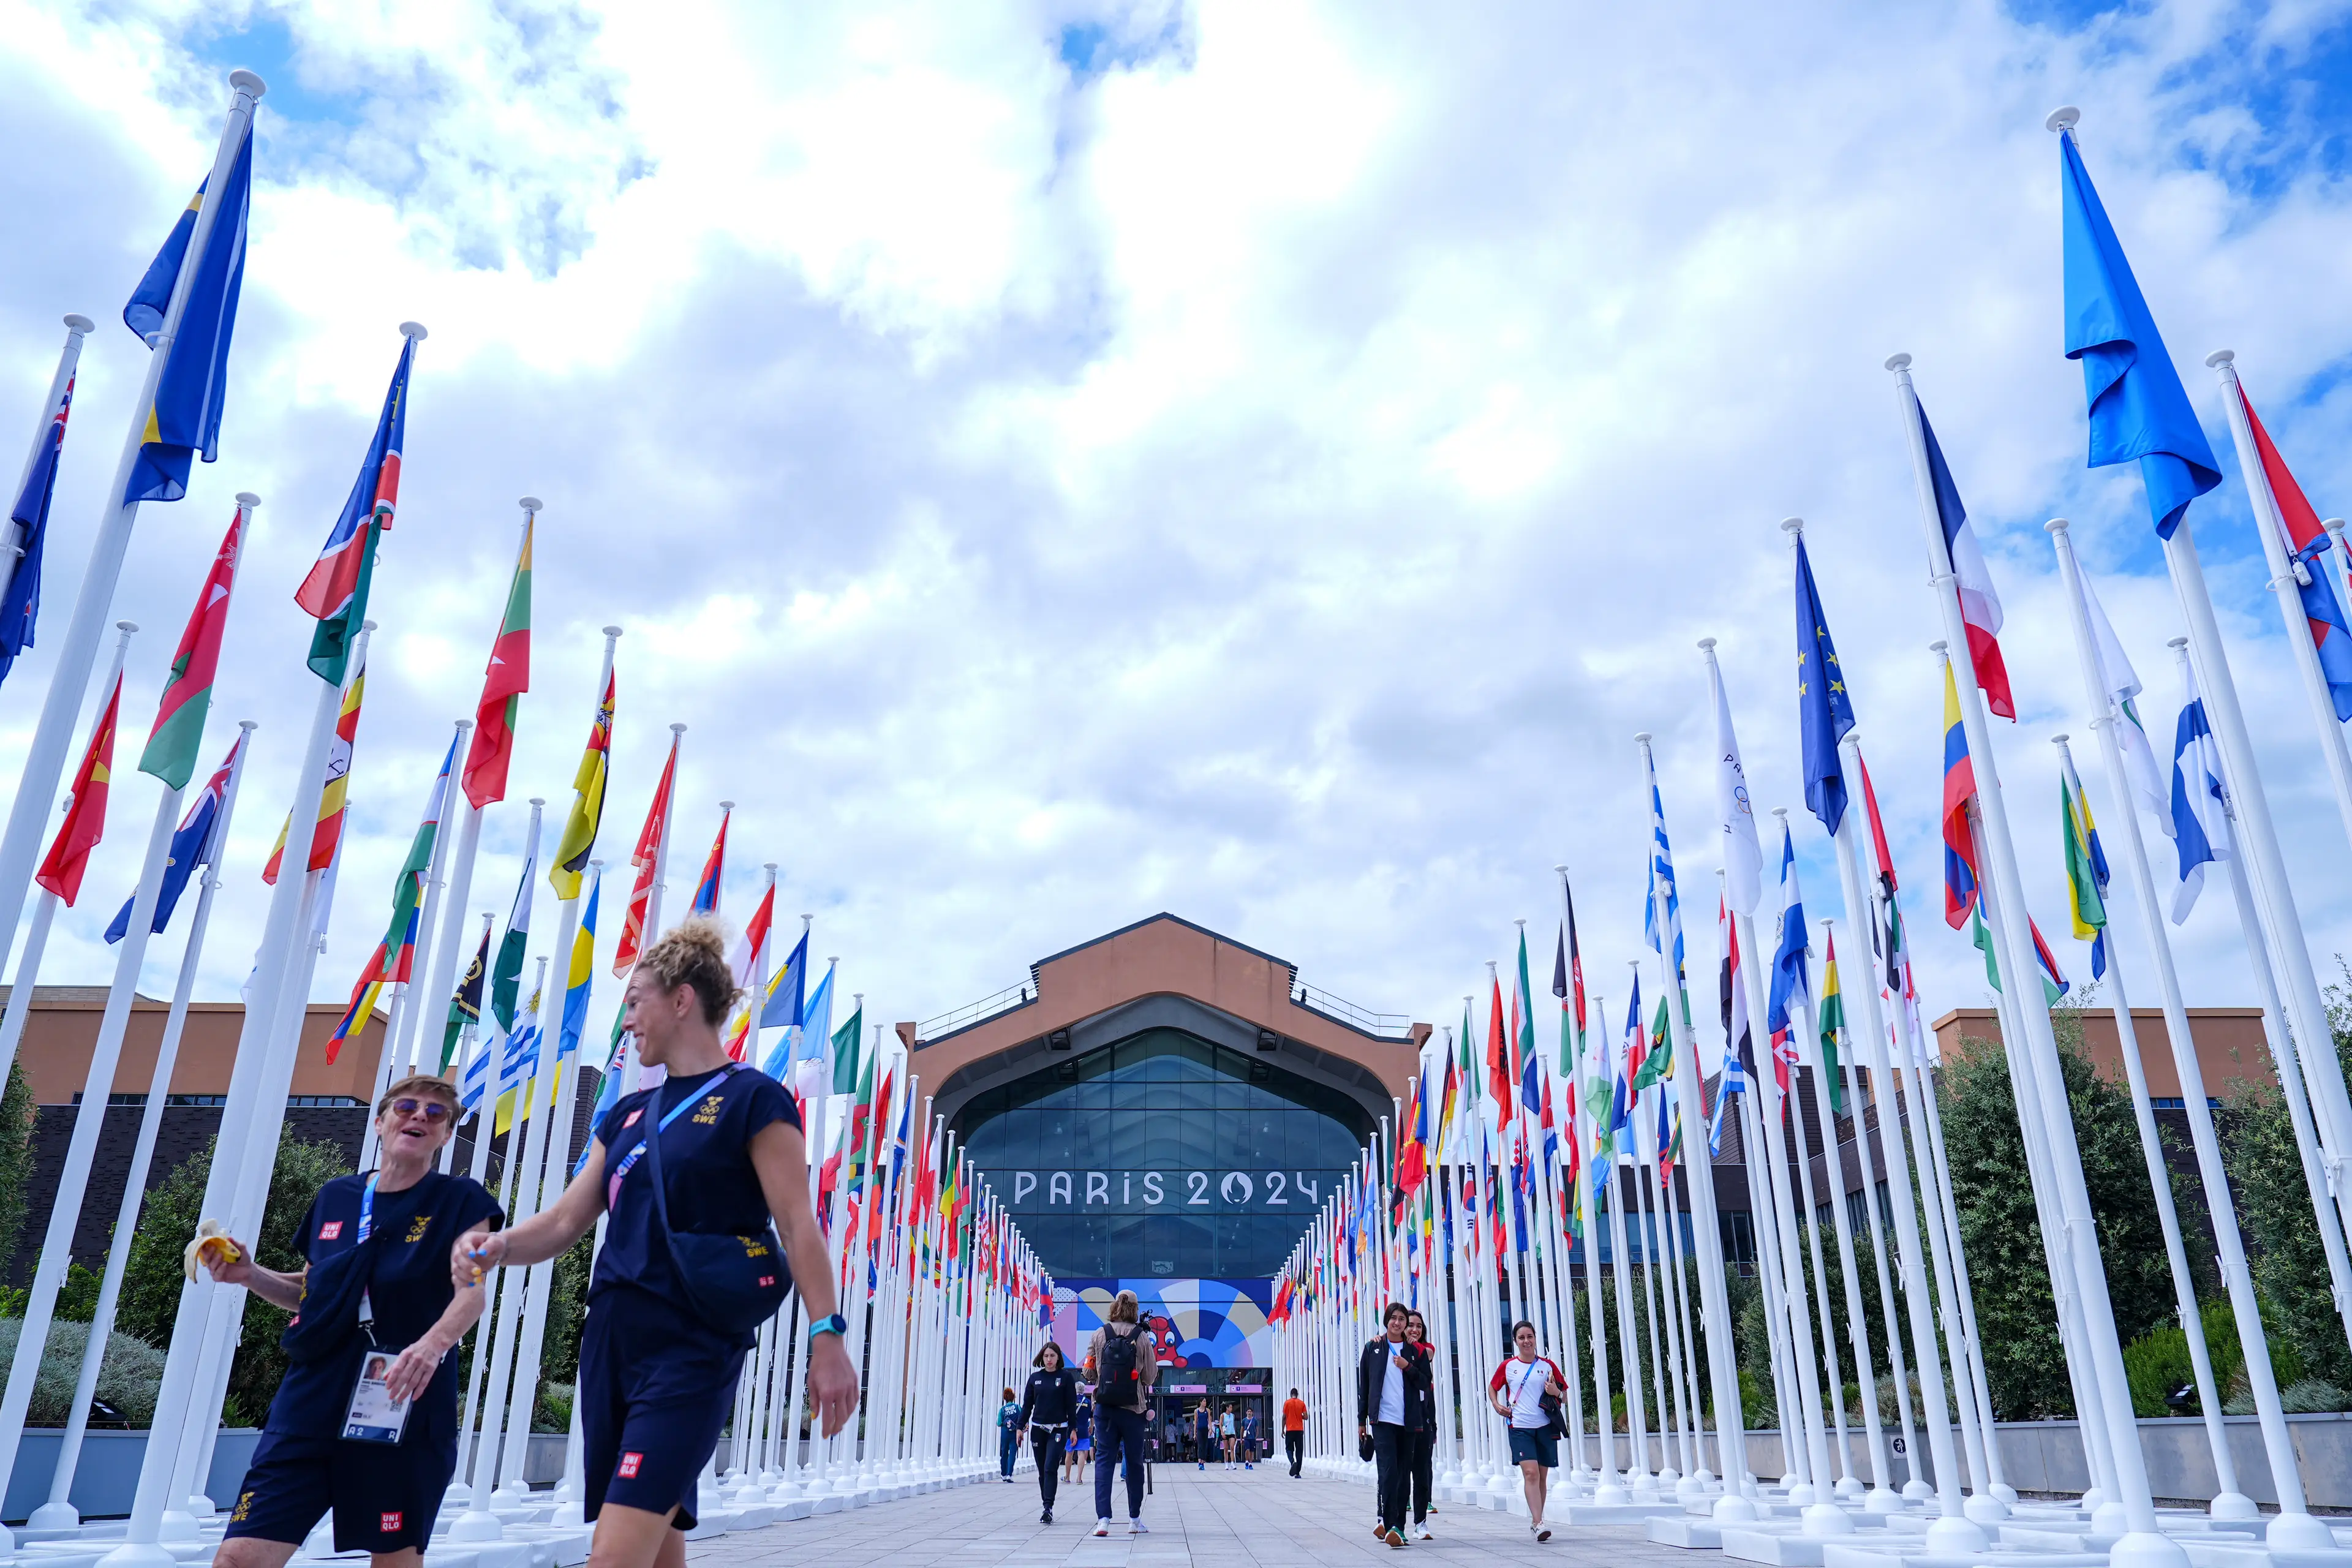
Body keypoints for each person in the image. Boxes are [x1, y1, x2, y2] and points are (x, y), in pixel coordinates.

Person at [451, 919, 858, 1568]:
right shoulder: (625, 1115)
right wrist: (493, 1245)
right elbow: (562, 1222)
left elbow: (798, 1224)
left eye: (636, 1000)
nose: (628, 1020)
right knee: (657, 1549)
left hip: (690, 1345)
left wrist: (827, 1336)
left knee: (612, 1556)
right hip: (612, 1341)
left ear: (682, 1000)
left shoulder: (756, 1099)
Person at [210, 1076, 499, 1568]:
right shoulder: (336, 1197)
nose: (419, 1118)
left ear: (447, 1135)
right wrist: (250, 1275)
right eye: (407, 1107)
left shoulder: (462, 1200)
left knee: (393, 1559)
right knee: (238, 1558)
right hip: (311, 1400)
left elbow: (470, 1294)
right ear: (380, 1121)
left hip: (400, 1400)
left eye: (435, 1115)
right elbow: (314, 1293)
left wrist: (431, 1346)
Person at [1356, 1301, 1432, 1550]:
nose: (1398, 1323)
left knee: (1403, 1475)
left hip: (1408, 1422)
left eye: (1402, 1319)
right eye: (1394, 1318)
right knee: (1388, 1472)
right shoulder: (1373, 1348)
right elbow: (1364, 1388)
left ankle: (1399, 1526)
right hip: (1382, 1421)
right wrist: (1362, 1420)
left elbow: (1424, 1383)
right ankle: (1389, 1524)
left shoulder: (1416, 1352)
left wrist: (1407, 1367)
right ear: (1387, 1320)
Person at [1085, 1289, 1159, 1536]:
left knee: (1104, 1461)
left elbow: (1089, 1372)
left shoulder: (1100, 1333)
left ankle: (1103, 1520)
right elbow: (1149, 1376)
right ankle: (1134, 1520)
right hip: (1133, 1409)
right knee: (1135, 1463)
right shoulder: (1142, 1337)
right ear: (1136, 1309)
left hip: (1105, 1408)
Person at [1489, 1319, 1570, 1543]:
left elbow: (1564, 1395)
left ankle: (1537, 1521)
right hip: (1520, 1427)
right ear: (1515, 1341)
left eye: (1530, 1337)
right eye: (1522, 1338)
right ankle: (1539, 1522)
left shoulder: (1547, 1366)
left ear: (1535, 1339)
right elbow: (1493, 1387)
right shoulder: (1509, 1367)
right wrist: (1497, 1405)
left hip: (1544, 1426)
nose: (1526, 1341)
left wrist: (1556, 1390)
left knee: (1542, 1476)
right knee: (1531, 1473)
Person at [1017, 1343, 1080, 1521]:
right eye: (1046, 1356)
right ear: (1042, 1358)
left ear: (1058, 1357)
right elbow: (1027, 1406)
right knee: (1042, 1470)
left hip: (1058, 1429)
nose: (1049, 1359)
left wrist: (1073, 1430)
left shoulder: (1066, 1378)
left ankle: (1048, 1507)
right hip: (1038, 1429)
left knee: (1050, 1466)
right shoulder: (1035, 1378)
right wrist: (1020, 1428)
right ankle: (1046, 1502)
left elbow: (1070, 1406)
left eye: (1053, 1356)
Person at [1406, 1310, 1438, 1538]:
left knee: (1422, 1469)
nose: (1415, 1330)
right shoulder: (1393, 1349)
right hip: (1401, 1417)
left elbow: (1423, 1358)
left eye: (1419, 1326)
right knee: (1399, 1469)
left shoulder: (1426, 1349)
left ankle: (1421, 1520)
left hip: (1424, 1414)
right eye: (1410, 1325)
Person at [1066, 1393, 1093, 1488]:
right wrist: (1091, 1426)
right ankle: (1079, 1478)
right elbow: (1092, 1416)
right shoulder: (1088, 1402)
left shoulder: (1071, 1399)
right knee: (1081, 1453)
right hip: (1083, 1429)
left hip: (1072, 1429)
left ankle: (1067, 1477)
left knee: (1069, 1453)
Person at [997, 1387, 1022, 1481]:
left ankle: (1003, 1473)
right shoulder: (1017, 1407)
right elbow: (1022, 1418)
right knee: (1012, 1454)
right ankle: (1009, 1474)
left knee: (1004, 1453)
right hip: (1015, 1434)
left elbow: (999, 1423)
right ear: (1013, 1398)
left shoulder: (1002, 1410)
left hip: (1005, 1434)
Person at [1283, 1387, 1307, 1478]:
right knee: (1299, 1451)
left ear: (1291, 1394)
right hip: (1299, 1430)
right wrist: (1299, 1416)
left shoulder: (1287, 1403)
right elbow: (1306, 1417)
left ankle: (1293, 1462)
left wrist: (1282, 1429)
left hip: (1290, 1430)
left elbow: (1284, 1417)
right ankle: (1298, 1473)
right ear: (1297, 1394)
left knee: (1289, 1449)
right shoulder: (1302, 1403)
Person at [1193, 1400, 1212, 1471]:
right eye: (1204, 1401)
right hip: (1199, 1430)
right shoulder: (1196, 1411)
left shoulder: (1208, 1410)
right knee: (1200, 1446)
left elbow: (1209, 1420)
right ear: (1201, 1402)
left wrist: (1210, 1429)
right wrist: (1195, 1433)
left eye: (1206, 1401)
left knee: (1205, 1446)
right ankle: (1199, 1462)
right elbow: (1196, 1422)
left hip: (1205, 1430)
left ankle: (1203, 1462)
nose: (1205, 1403)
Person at [1240, 1405, 1260, 1470]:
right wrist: (1241, 1438)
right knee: (1247, 1449)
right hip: (1246, 1438)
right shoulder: (1244, 1420)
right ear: (1246, 1413)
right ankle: (1246, 1461)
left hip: (1252, 1438)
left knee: (1252, 1451)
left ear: (1252, 1413)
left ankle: (1251, 1463)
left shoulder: (1255, 1420)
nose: (1249, 1413)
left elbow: (1257, 1428)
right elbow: (1242, 1429)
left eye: (1250, 1412)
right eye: (1248, 1411)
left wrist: (1256, 1436)